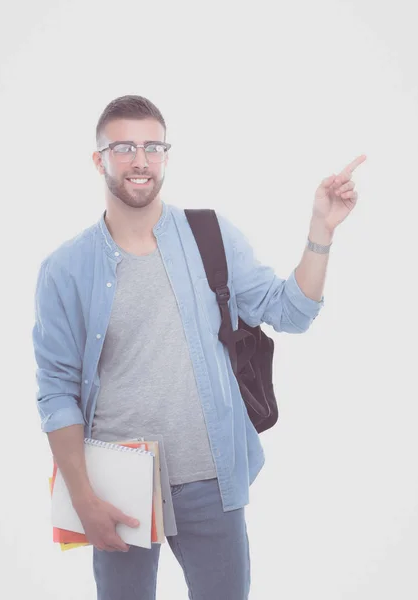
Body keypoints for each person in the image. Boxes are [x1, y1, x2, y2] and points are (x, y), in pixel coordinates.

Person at [32, 94, 365, 599]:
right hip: (116, 483)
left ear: (166, 156)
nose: (140, 160)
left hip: (211, 478)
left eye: (152, 146)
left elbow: (290, 311)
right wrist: (82, 495)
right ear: (98, 159)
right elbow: (56, 391)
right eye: (123, 147)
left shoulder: (209, 234)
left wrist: (321, 230)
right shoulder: (65, 269)